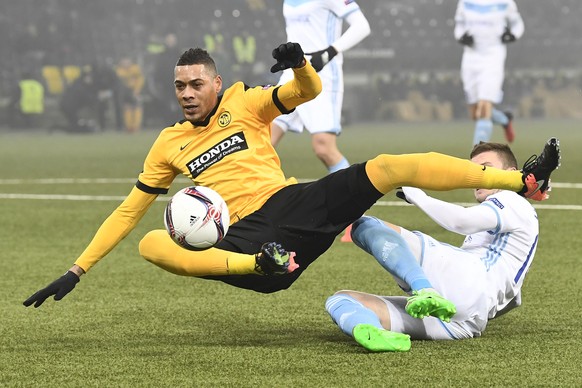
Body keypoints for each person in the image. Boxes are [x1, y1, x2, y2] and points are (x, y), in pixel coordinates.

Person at [23, 42, 559, 309]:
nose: (186, 93)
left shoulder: (245, 102)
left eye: (194, 84)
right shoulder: (168, 145)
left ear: (216, 83)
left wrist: (300, 64)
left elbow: (306, 93)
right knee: (150, 243)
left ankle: (524, 182)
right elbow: (128, 209)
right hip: (244, 242)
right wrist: (77, 270)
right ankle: (260, 262)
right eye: (179, 86)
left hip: (294, 205)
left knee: (388, 167)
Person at [325, 139, 560, 352]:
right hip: (466, 323)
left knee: (365, 226)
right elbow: (513, 299)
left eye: (487, 167)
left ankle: (425, 290)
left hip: (469, 283)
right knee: (342, 300)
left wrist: (419, 196)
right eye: (477, 171)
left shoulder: (512, 200)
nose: (480, 176)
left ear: (511, 173)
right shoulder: (510, 224)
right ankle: (368, 331)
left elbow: (461, 221)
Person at [270, 0, 371, 174]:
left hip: (323, 74)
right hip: (292, 72)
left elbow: (362, 26)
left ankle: (352, 197)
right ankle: (250, 197)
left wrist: (329, 52)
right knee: (264, 141)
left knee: (324, 148)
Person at [454, 0, 524, 145]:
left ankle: (477, 158)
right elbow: (459, 26)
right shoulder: (465, 2)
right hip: (471, 56)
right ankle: (504, 119)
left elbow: (518, 24)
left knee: (484, 108)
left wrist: (512, 35)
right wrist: (461, 37)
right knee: (475, 113)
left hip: (493, 55)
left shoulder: (505, 3)